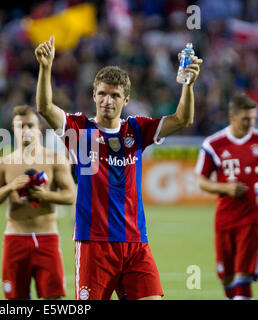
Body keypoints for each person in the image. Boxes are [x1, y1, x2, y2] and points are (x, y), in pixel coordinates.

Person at [35, 36, 202, 300]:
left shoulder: (136, 129)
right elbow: (45, 107)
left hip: (136, 244)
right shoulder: (78, 130)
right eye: (102, 94)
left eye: (114, 95)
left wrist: (188, 85)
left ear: (125, 101)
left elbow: (183, 119)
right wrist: (45, 68)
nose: (107, 100)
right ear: (93, 96)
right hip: (94, 244)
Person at [0, 105, 75, 299]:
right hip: (15, 238)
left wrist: (45, 196)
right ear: (13, 129)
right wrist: (10, 188)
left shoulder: (56, 160)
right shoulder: (2, 164)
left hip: (47, 237)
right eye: (20, 126)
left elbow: (71, 195)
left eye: (30, 125)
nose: (25, 130)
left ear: (39, 129)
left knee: (53, 298)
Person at [195, 92, 257, 300]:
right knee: (226, 276)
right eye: (245, 119)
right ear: (232, 116)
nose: (250, 123)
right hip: (225, 219)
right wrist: (226, 189)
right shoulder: (214, 144)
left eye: (253, 119)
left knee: (243, 275)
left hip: (251, 220)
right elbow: (202, 181)